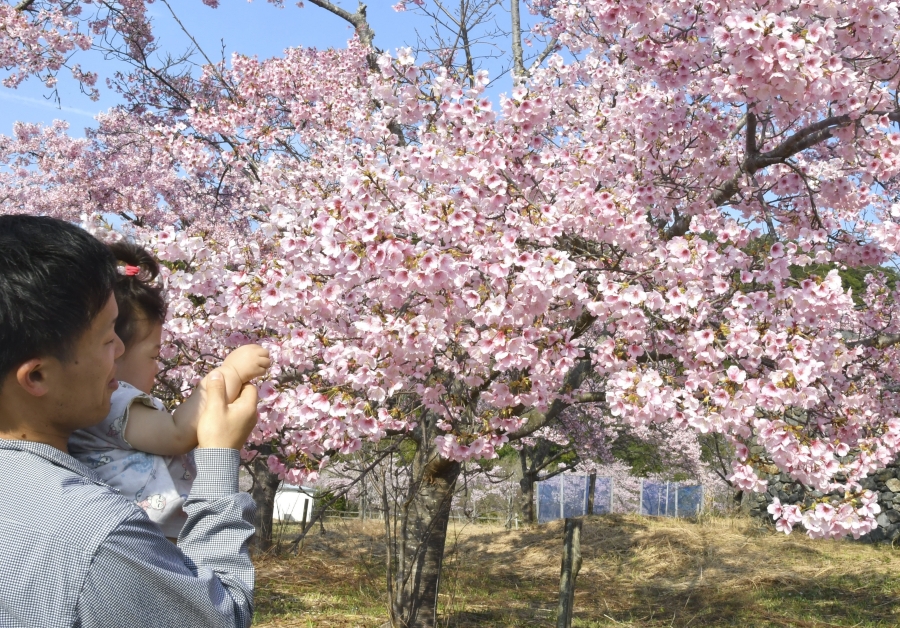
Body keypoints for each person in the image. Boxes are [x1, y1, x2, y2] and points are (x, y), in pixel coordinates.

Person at [0, 215, 261, 628]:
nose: (119, 350)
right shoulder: (99, 537)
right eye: (107, 339)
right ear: (36, 376)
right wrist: (219, 454)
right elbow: (220, 617)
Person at [68, 241, 270, 540]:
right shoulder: (114, 400)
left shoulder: (110, 406)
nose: (157, 367)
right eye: (153, 356)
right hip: (147, 532)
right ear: (114, 351)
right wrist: (230, 373)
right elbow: (176, 433)